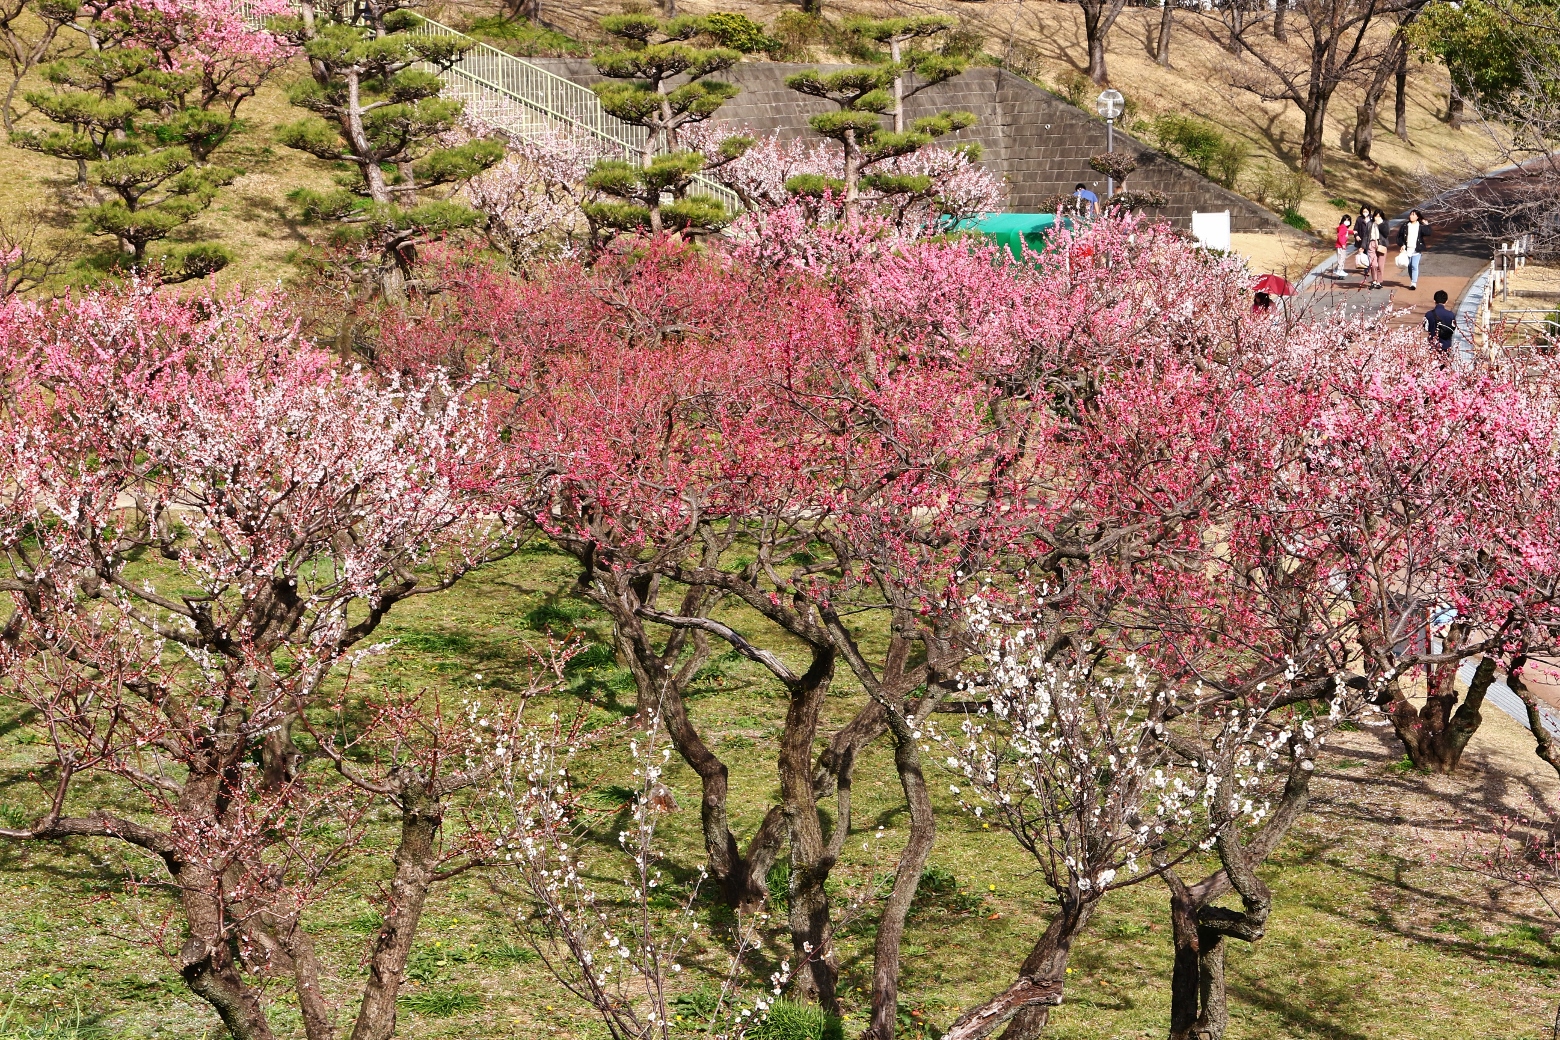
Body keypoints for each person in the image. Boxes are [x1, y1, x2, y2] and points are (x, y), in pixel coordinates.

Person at [1397, 209, 1427, 291]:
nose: (1411, 216)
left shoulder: (1420, 225)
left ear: (1417, 217)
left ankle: (1414, 283)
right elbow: (1399, 236)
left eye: (1413, 215)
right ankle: (1412, 280)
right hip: (1407, 249)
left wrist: (1426, 225)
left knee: (1414, 265)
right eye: (1411, 214)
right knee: (1409, 266)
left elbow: (1428, 233)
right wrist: (1402, 244)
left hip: (1416, 249)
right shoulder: (1405, 225)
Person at [1366, 210, 1386, 289]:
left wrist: (1380, 224)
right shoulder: (1370, 224)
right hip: (1371, 243)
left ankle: (1379, 282)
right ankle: (1374, 280)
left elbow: (1386, 233)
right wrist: (1363, 246)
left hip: (1381, 245)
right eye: (1376, 216)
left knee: (1380, 265)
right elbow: (1366, 236)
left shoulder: (1385, 223)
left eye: (1379, 216)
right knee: (1373, 264)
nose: (1377, 218)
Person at [1335, 214, 1354, 279]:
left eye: (1348, 220)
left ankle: (1338, 270)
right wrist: (1342, 244)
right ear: (1343, 220)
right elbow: (1339, 235)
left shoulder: (1344, 228)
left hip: (1341, 246)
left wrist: (1353, 232)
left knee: (1342, 258)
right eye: (1346, 220)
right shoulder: (1343, 227)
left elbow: (1346, 231)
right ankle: (1339, 270)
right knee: (1341, 258)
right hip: (1341, 246)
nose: (1347, 221)